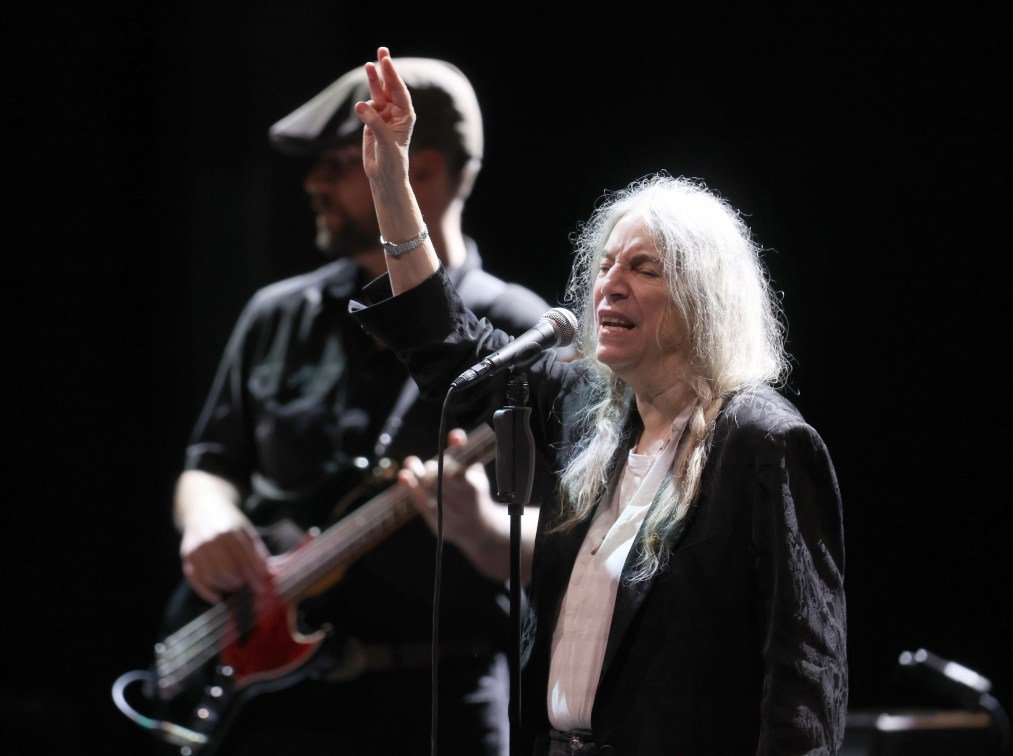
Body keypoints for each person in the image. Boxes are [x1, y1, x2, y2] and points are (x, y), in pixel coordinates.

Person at [349, 48, 848, 754]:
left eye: (643, 269)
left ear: (705, 299)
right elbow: (450, 343)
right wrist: (391, 184)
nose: (609, 284)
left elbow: (804, 675)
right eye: (606, 264)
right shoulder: (590, 412)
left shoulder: (760, 443)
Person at [173, 55, 554, 755]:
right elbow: (210, 463)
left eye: (339, 164)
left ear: (420, 169)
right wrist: (207, 519)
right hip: (269, 701)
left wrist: (479, 530)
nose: (313, 183)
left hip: (436, 701)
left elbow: (567, 547)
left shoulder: (523, 334)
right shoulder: (277, 314)